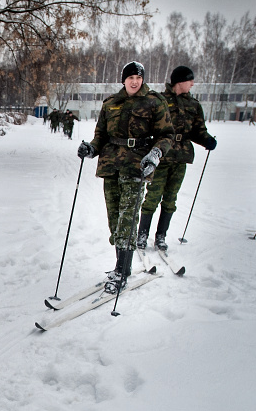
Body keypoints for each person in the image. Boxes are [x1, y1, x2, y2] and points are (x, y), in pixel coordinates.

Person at [78, 61, 175, 293]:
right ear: (123, 80)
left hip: (137, 167)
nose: (134, 81)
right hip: (111, 166)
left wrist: (155, 153)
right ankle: (121, 264)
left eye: (138, 78)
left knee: (127, 218)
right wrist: (91, 149)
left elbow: (166, 134)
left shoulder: (154, 101)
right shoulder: (111, 103)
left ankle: (122, 271)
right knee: (114, 218)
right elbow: (100, 135)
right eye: (130, 77)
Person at [137, 66, 216, 251]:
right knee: (152, 197)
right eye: (190, 80)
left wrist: (207, 140)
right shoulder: (159, 101)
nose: (192, 84)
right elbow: (148, 127)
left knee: (170, 199)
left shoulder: (193, 105)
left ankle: (161, 236)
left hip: (181, 158)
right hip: (161, 157)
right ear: (179, 82)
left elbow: (198, 130)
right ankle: (142, 235)